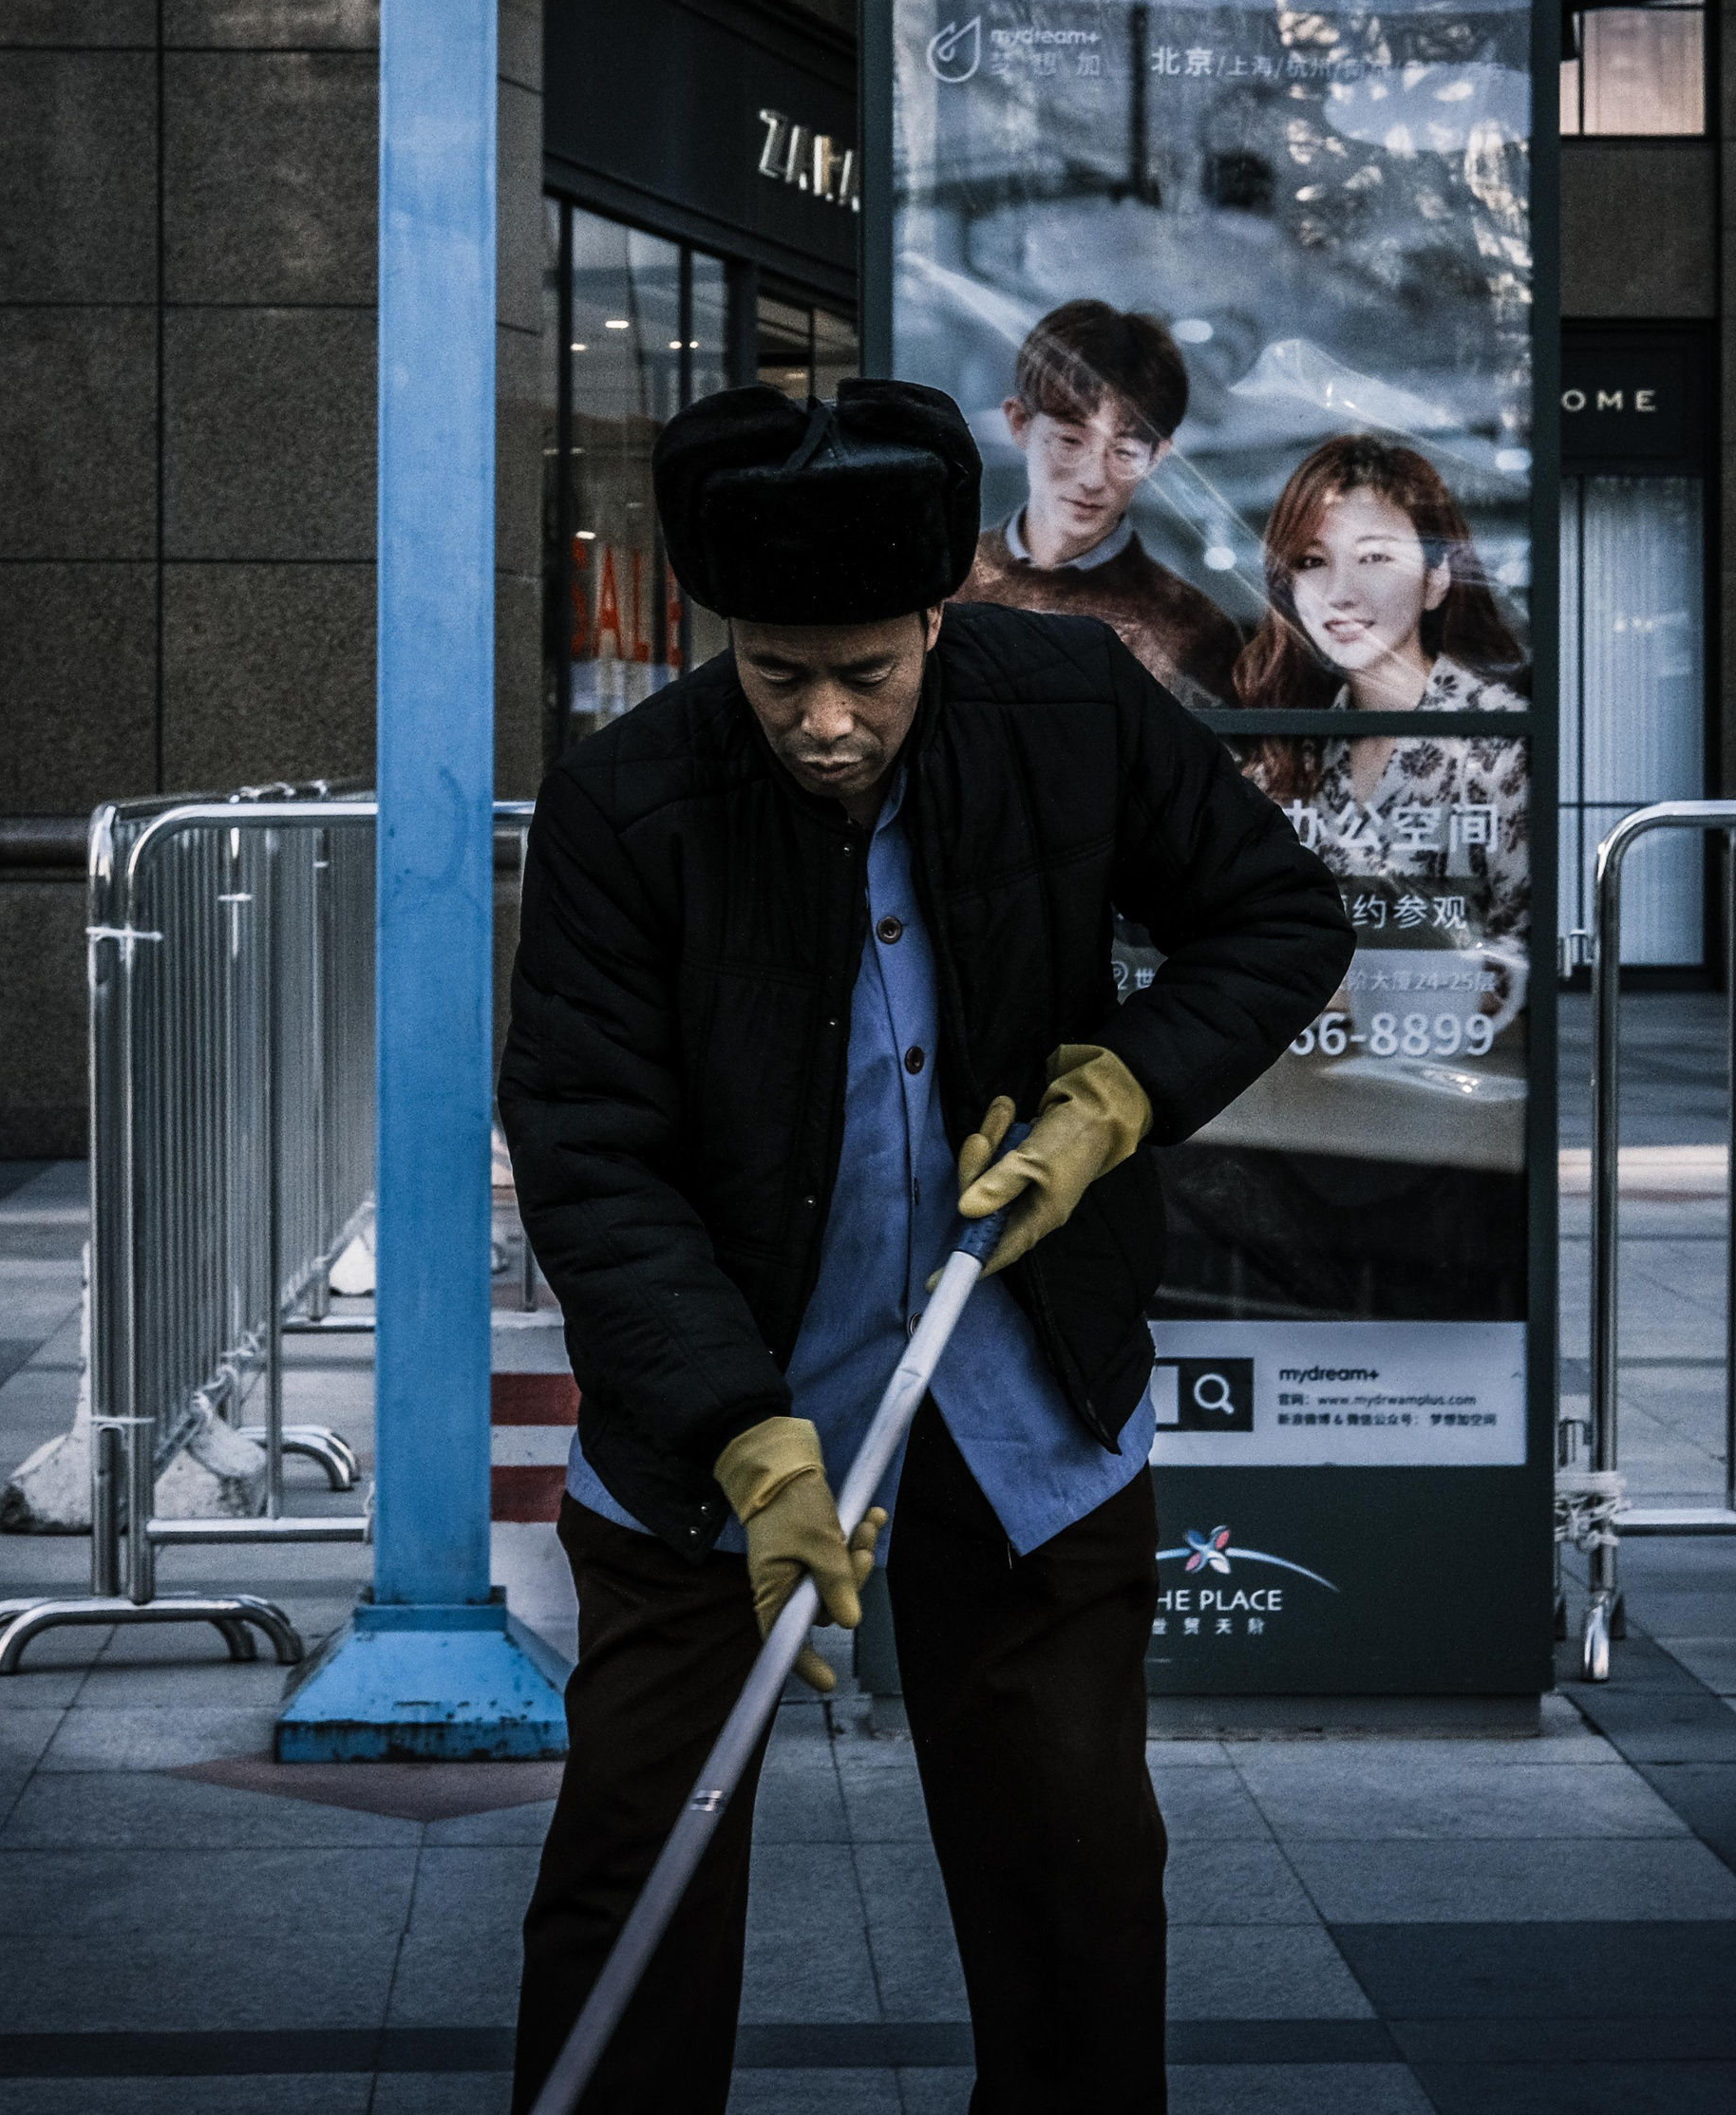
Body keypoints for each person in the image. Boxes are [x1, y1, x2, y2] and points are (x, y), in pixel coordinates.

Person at [500, 379, 1349, 2115]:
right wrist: (740, 1429)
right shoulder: (627, 807)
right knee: (635, 1867)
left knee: (1075, 1868)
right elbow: (593, 1151)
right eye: (776, 674)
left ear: (935, 622)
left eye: (866, 675)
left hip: (1020, 1388)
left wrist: (1119, 1093)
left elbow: (1275, 914)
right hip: (714, 1428)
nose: (822, 720)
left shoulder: (1070, 705)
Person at [1233, 432, 1530, 952]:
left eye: (1373, 557)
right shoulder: (1288, 749)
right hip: (1302, 1032)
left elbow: (1523, 950)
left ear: (1436, 579)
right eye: (1311, 562)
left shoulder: (1499, 740)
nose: (1340, 593)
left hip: (1450, 1029)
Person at [953, 299, 1243, 707]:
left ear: (1157, 456)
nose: (1093, 479)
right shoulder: (948, 589)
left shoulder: (1191, 629)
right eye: (1071, 442)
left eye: (1124, 453)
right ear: (1019, 422)